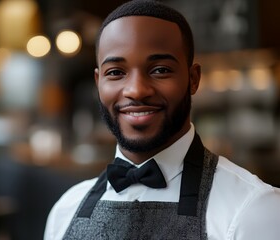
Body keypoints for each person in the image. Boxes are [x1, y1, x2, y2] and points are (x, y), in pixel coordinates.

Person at [44, 0, 280, 239]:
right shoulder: (65, 211)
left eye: (160, 70)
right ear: (98, 83)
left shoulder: (253, 210)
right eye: (116, 72)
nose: (136, 90)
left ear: (193, 79)